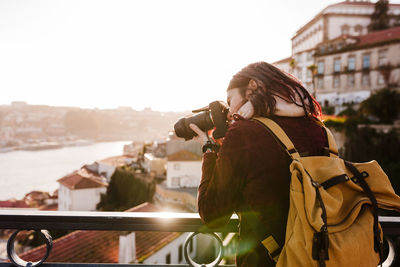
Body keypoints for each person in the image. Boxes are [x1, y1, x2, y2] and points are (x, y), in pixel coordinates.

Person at [189, 61, 327, 267]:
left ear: (252, 87)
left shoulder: (244, 134)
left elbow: (212, 215)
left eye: (230, 100)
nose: (228, 112)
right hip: (320, 255)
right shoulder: (318, 128)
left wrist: (208, 149)